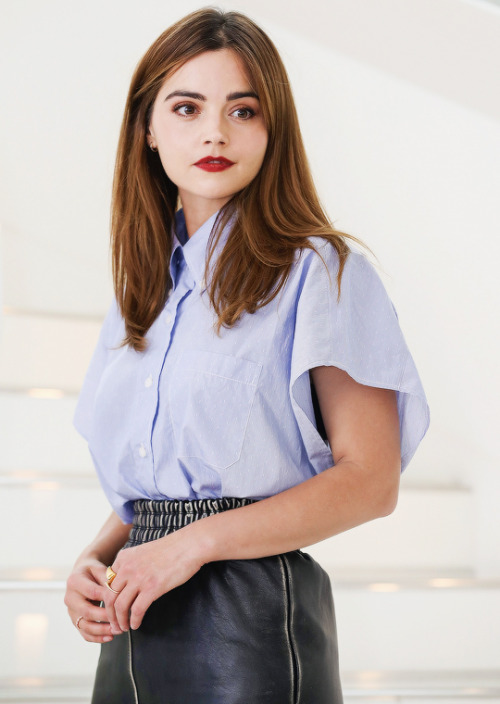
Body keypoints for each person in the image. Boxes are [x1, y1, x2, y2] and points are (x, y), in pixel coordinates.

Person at [64, 8, 429, 703]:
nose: (214, 132)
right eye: (186, 107)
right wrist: (98, 555)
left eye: (243, 110)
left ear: (273, 129)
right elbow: (166, 475)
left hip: (249, 621)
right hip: (135, 615)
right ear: (147, 127)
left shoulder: (321, 273)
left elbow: (371, 480)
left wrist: (191, 544)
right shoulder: (140, 292)